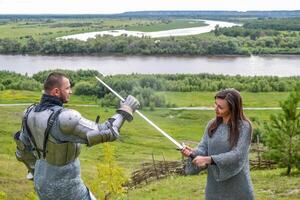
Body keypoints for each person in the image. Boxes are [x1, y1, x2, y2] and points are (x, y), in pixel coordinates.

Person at [14, 72, 140, 200]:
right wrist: (125, 110)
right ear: (56, 91)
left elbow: (22, 151)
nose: (71, 91)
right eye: (67, 88)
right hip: (65, 186)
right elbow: (108, 132)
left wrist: (35, 172)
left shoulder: (29, 113)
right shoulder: (65, 119)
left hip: (41, 182)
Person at [181, 88, 254, 200]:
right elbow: (203, 148)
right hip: (214, 187)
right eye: (215, 104)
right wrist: (193, 152)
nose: (216, 109)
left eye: (221, 107)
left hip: (238, 186)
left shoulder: (244, 127)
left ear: (232, 108)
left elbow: (238, 155)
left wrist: (209, 159)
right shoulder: (212, 125)